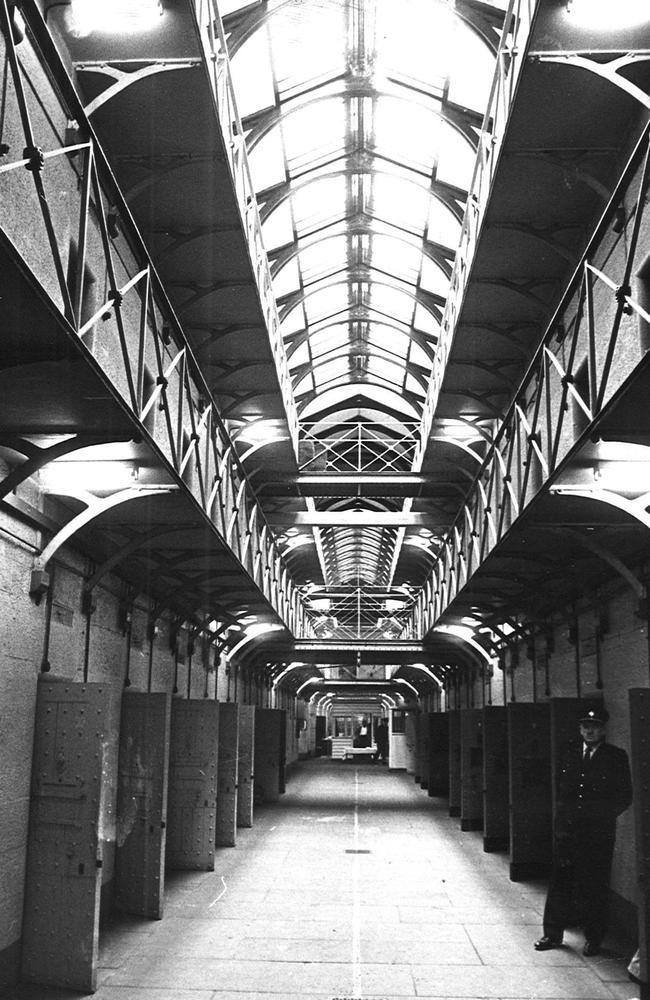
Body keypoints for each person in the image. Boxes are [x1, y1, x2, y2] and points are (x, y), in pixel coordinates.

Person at [534, 702, 632, 956]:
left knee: (594, 886)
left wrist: (599, 818)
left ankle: (594, 939)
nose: (590, 731)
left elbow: (625, 796)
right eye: (586, 726)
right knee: (560, 883)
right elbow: (560, 789)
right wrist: (562, 822)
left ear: (603, 730)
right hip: (567, 832)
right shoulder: (568, 752)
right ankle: (552, 935)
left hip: (597, 835)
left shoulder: (615, 756)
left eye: (595, 727)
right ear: (579, 729)